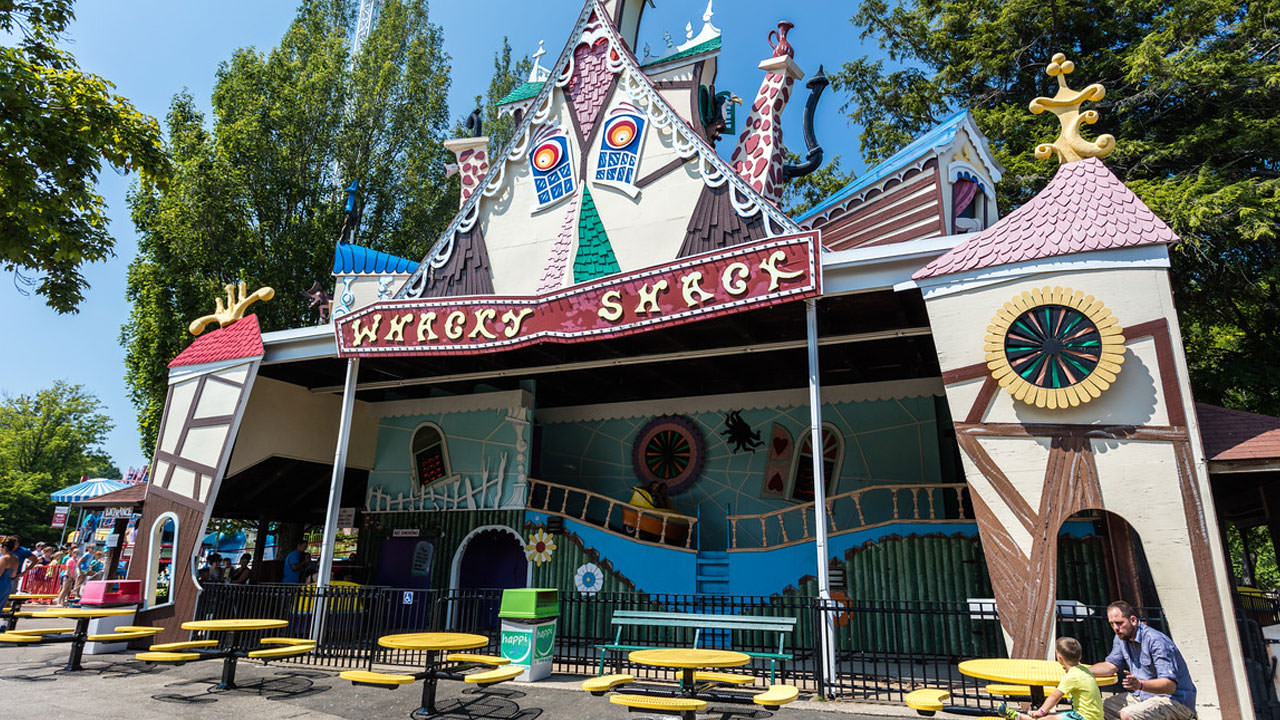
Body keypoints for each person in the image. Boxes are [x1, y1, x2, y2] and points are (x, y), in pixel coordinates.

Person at [1090, 600, 1196, 720]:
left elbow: (1169, 686)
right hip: (1143, 697)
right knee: (1098, 708)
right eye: (1111, 624)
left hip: (1173, 700)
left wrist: (1140, 684)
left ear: (1133, 620)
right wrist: (1081, 670)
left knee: (1128, 714)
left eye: (1119, 623)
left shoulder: (1156, 641)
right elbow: (1110, 666)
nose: (1115, 628)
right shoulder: (1121, 638)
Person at [999, 636, 1102, 720]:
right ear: (1079, 657)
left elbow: (1055, 696)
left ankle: (1017, 716)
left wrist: (1041, 711)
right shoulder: (1085, 670)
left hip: (1083, 717)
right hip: (1096, 717)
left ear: (1059, 658)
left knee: (1046, 719)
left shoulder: (1072, 676)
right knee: (1052, 718)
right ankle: (1018, 716)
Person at [0, 537, 21, 631]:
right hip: (8, 583)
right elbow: (13, 575)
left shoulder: (4, 558)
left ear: (4, 548)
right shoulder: (16, 559)